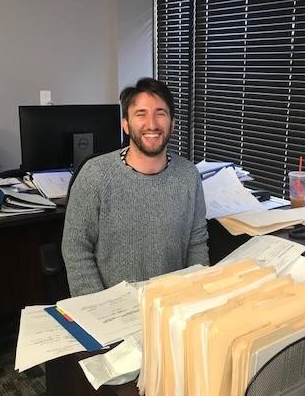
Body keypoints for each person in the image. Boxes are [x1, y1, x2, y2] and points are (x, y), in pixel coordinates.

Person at [62, 77, 209, 297]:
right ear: (126, 125)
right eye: (141, 114)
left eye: (160, 113)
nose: (152, 124)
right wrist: (98, 307)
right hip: (111, 310)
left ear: (172, 122)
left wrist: (196, 296)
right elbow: (76, 249)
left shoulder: (189, 175)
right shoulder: (95, 175)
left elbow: (196, 244)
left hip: (170, 308)